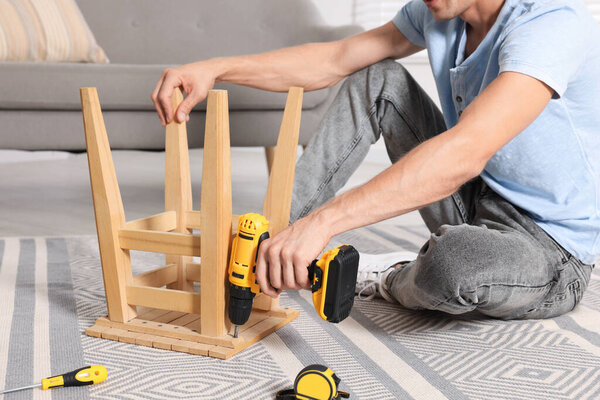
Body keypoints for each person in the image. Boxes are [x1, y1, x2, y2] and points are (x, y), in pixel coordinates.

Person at [152, 0, 599, 319]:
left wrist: (325, 223)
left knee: (452, 265)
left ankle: (388, 274)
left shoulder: (551, 22)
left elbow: (464, 153)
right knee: (378, 79)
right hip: (478, 196)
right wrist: (214, 68)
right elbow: (335, 58)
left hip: (551, 248)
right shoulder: (441, 11)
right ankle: (272, 254)